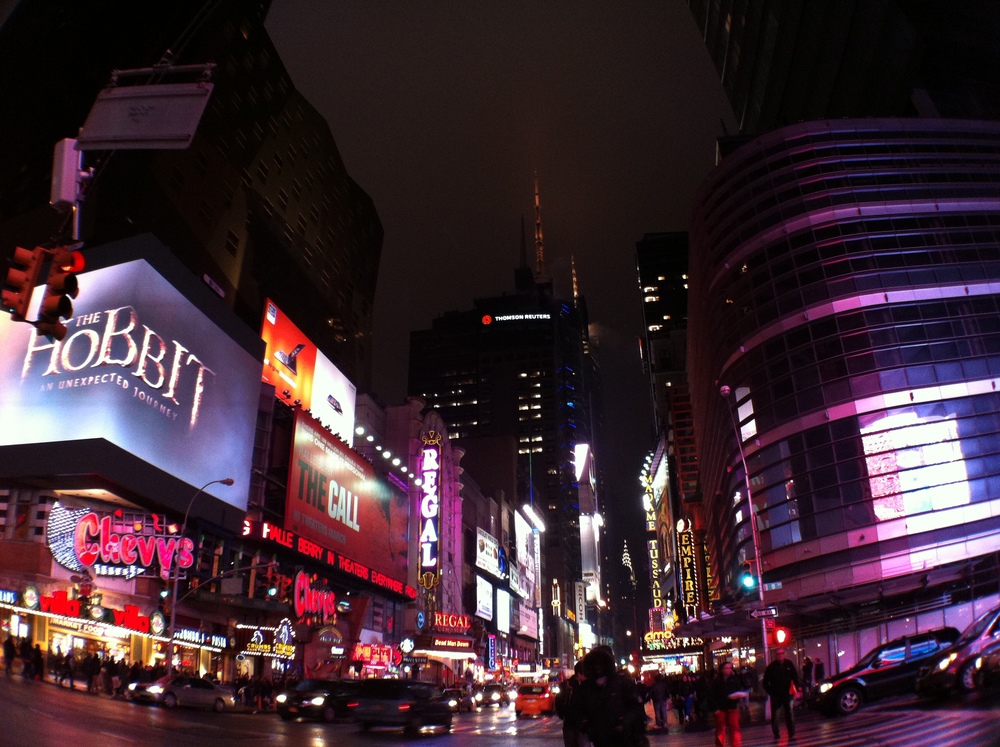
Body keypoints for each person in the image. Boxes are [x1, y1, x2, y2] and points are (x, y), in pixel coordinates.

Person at [577, 646, 647, 747]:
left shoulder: (622, 683)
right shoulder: (586, 688)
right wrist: (588, 727)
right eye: (595, 664)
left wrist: (624, 724)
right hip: (601, 738)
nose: (598, 668)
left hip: (624, 738)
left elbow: (635, 707)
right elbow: (578, 711)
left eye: (601, 663)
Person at [762, 648, 800, 741]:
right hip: (776, 695)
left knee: (789, 713)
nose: (780, 655)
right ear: (775, 656)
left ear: (784, 654)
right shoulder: (771, 667)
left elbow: (795, 676)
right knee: (775, 715)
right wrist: (771, 692)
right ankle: (776, 734)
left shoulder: (788, 664)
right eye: (778, 654)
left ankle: (791, 733)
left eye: (781, 654)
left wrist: (796, 689)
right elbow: (765, 682)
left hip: (788, 694)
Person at [709, 661, 747, 747]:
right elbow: (711, 695)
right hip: (721, 708)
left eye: (730, 668)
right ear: (722, 670)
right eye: (726, 668)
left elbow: (739, 689)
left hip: (732, 707)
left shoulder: (734, 679)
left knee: (735, 729)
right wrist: (715, 708)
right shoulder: (717, 681)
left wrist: (737, 696)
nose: (729, 670)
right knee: (720, 730)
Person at [555, 661, 590, 747]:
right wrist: (564, 715)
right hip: (571, 725)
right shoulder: (567, 686)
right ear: (579, 674)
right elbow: (558, 702)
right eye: (585, 674)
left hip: (583, 726)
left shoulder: (588, 686)